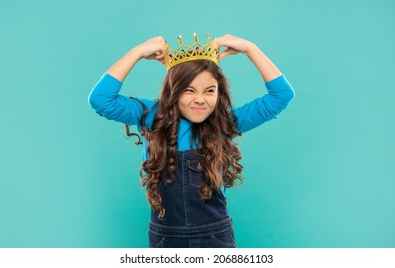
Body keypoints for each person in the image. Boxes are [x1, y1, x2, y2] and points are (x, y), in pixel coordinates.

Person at [88, 34, 295, 248]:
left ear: (219, 93)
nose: (199, 99)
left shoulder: (225, 123)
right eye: (189, 90)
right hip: (165, 239)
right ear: (174, 92)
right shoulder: (152, 116)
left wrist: (250, 48)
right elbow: (100, 100)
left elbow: (282, 95)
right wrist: (138, 52)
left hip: (214, 237)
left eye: (209, 91)